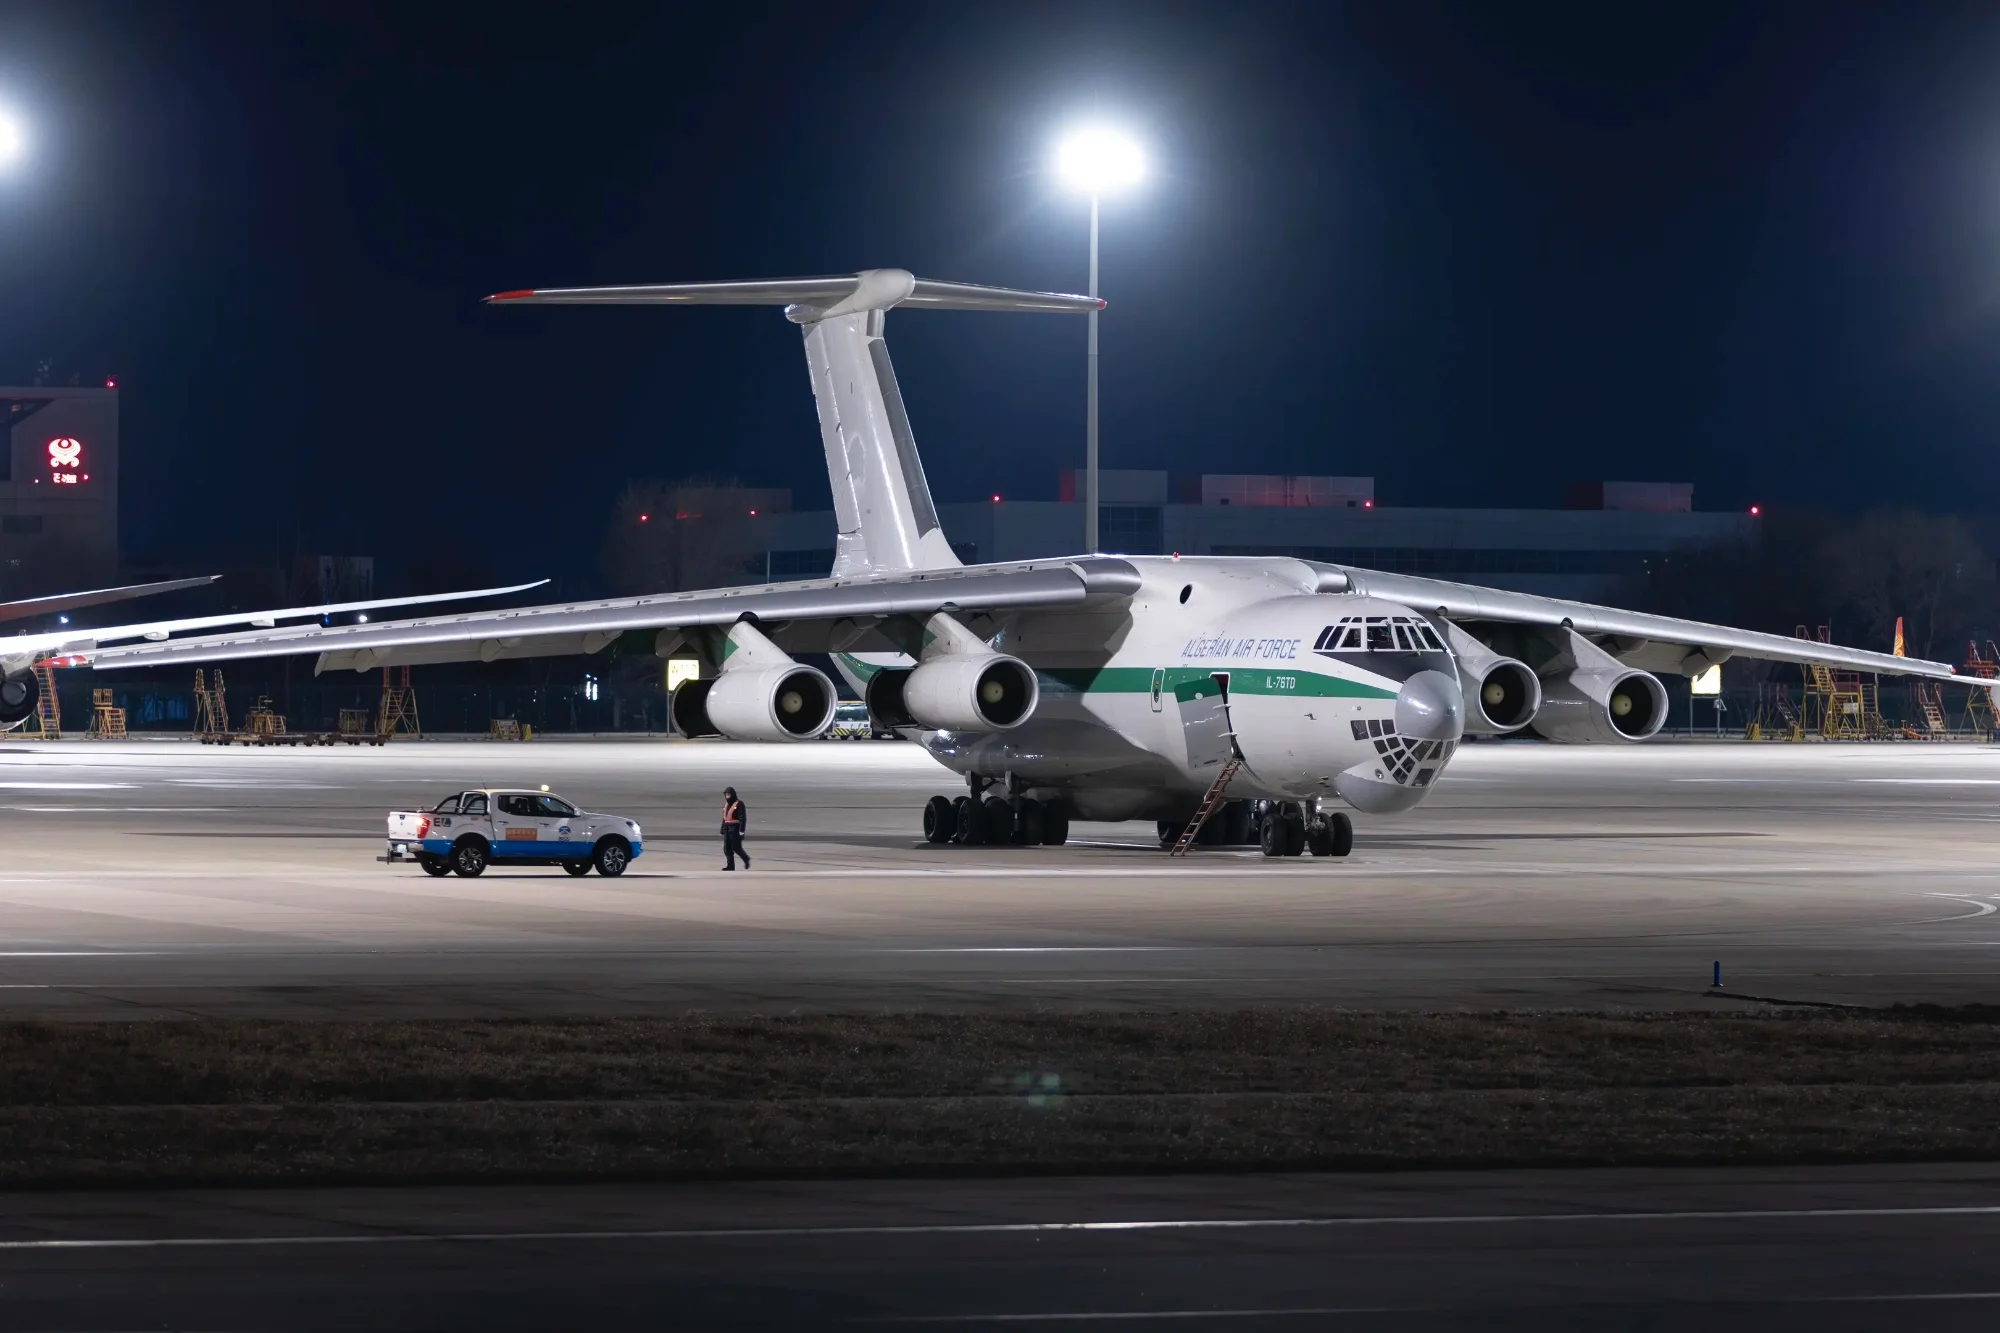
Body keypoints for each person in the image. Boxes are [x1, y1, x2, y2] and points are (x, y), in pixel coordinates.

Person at [721, 786, 750, 870]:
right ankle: (730, 866)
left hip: (735, 829)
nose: (727, 796)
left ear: (733, 795)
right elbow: (724, 818)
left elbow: (742, 818)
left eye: (729, 794)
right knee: (726, 848)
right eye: (726, 795)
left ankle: (746, 859)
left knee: (736, 847)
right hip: (727, 828)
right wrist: (722, 829)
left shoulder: (739, 804)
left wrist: (741, 830)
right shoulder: (726, 805)